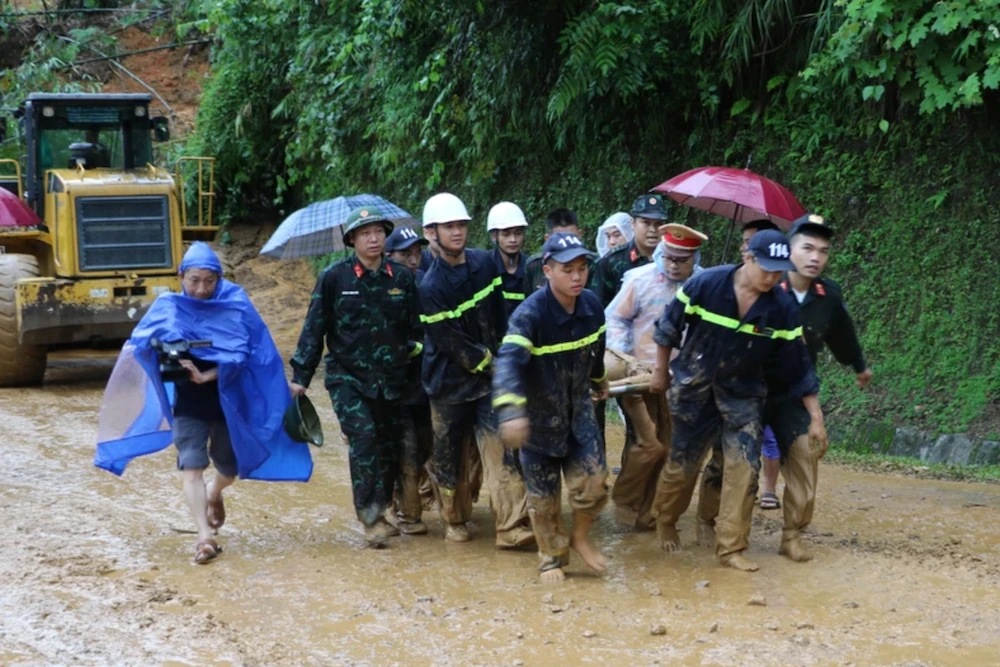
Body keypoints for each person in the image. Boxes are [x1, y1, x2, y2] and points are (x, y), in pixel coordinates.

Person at [94, 242, 313, 564]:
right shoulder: (168, 306)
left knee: (229, 467)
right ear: (181, 276)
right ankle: (204, 536)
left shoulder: (235, 304)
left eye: (209, 281)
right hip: (188, 406)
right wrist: (162, 354)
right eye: (194, 280)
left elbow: (254, 355)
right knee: (192, 467)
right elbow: (141, 345)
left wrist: (208, 375)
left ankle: (215, 493)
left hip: (229, 404)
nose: (200, 289)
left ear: (219, 279)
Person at [648, 230, 824, 572]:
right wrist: (659, 371)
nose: (772, 277)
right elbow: (668, 327)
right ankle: (666, 518)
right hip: (695, 389)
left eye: (779, 270)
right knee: (682, 467)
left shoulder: (782, 308)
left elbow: (798, 365)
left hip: (744, 396)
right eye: (766, 268)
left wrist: (815, 416)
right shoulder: (707, 284)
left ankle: (730, 547)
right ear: (748, 258)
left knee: (744, 467)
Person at [289, 207, 422, 548]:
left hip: (392, 378)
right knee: (364, 440)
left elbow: (416, 328)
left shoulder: (402, 279)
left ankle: (383, 507)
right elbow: (314, 327)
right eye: (365, 233)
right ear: (352, 240)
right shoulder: (335, 278)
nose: (374, 238)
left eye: (378, 231)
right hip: (347, 378)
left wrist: (415, 361)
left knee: (389, 446)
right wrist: (301, 375)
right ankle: (371, 516)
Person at [493, 231, 610, 582]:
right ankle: (552, 558)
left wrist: (599, 379)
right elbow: (508, 363)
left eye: (582, 269)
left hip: (579, 414)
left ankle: (580, 537)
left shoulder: (592, 307)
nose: (577, 277)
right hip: (538, 422)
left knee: (595, 482)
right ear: (547, 271)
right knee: (544, 501)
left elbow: (596, 351)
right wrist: (512, 412)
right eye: (567, 270)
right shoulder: (529, 315)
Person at [419, 192, 534, 547]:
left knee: (503, 449)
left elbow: (500, 315)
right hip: (448, 384)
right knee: (448, 457)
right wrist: (495, 365)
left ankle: (512, 527)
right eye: (449, 226)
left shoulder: (486, 264)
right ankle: (455, 519)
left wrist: (510, 355)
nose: (457, 232)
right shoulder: (430, 287)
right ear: (430, 233)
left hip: (488, 382)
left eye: (461, 226)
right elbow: (452, 344)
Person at [775, 213, 871, 560]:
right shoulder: (766, 283)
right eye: (808, 248)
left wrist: (858, 366)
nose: (816, 257)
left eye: (824, 251)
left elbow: (840, 332)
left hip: (796, 392)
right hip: (751, 389)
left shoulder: (828, 294)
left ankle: (791, 535)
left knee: (806, 454)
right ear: (789, 249)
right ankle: (720, 531)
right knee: (732, 463)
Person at [605, 224, 707, 530]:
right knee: (647, 443)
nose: (675, 265)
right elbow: (616, 318)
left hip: (682, 380)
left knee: (671, 446)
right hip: (639, 374)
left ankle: (651, 513)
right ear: (662, 253)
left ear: (694, 258)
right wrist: (626, 357)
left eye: (682, 260)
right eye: (670, 258)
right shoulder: (640, 280)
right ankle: (626, 500)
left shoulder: (704, 284)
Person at [384, 226, 435, 534]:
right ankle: (403, 513)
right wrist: (415, 346)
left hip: (424, 383)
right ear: (389, 256)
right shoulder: (380, 289)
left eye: (417, 253)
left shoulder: (426, 284)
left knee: (425, 447)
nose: (414, 260)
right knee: (404, 448)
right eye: (406, 254)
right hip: (392, 386)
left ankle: (402, 502)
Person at [739, 219, 782, 510]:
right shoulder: (717, 285)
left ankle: (767, 489)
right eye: (745, 242)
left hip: (765, 377)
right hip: (729, 378)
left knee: (768, 435)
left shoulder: (780, 299)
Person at [589, 194, 668, 308]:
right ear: (632, 223)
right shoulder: (612, 261)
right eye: (646, 222)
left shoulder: (673, 259)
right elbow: (598, 309)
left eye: (658, 223)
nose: (652, 229)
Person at [524, 209, 582, 293]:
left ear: (579, 235)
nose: (566, 244)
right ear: (547, 239)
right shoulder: (534, 265)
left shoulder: (592, 264)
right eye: (559, 239)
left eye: (570, 237)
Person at [487, 201, 530, 317]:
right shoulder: (484, 267)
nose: (513, 239)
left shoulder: (531, 267)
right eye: (506, 234)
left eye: (518, 233)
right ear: (495, 236)